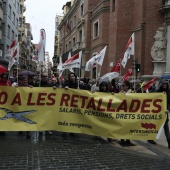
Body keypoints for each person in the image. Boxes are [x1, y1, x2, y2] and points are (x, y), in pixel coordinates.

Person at [156, 80, 170, 149]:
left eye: (166, 85)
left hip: (164, 113)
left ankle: (169, 141)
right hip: (157, 113)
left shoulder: (169, 93)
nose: (165, 86)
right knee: (155, 127)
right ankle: (150, 138)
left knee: (166, 127)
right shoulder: (157, 92)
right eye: (163, 85)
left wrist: (168, 109)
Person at [119, 80, 133, 146]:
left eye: (123, 85)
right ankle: (122, 139)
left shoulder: (132, 92)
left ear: (127, 86)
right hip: (122, 112)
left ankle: (128, 140)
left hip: (130, 112)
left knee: (129, 126)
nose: (122, 87)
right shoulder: (120, 92)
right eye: (122, 85)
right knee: (123, 126)